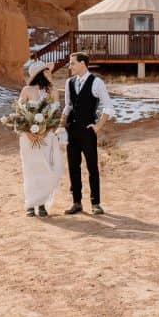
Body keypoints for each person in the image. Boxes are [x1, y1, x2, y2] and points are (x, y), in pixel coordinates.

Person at [59, 52, 115, 215]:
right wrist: (61, 124)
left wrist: (97, 127)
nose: (70, 66)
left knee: (92, 167)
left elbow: (108, 106)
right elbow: (68, 105)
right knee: (73, 166)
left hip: (87, 131)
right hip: (72, 130)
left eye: (72, 63)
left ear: (82, 63)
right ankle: (76, 202)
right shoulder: (69, 82)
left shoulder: (96, 82)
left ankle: (95, 203)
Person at [17, 60, 66, 218]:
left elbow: (56, 114)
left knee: (47, 168)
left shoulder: (53, 90)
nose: (50, 73)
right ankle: (31, 204)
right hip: (28, 138)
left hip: (47, 136)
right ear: (40, 74)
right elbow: (19, 114)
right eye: (47, 71)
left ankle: (42, 203)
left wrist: (45, 130)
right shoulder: (26, 90)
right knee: (31, 169)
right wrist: (28, 132)